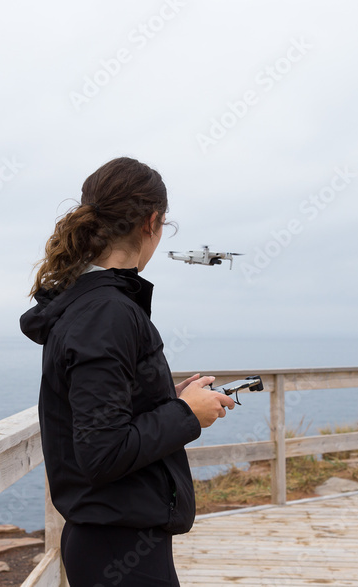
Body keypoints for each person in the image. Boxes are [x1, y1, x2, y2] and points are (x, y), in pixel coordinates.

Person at [20, 156, 235, 587]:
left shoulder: (89, 305)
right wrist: (187, 414)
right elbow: (102, 451)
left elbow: (105, 410)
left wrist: (163, 397)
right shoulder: (108, 312)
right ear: (151, 222)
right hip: (119, 550)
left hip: (112, 543)